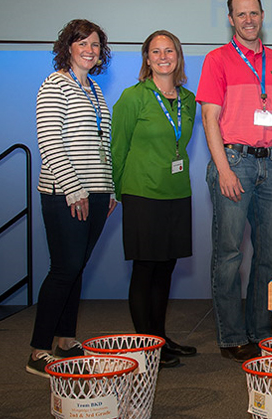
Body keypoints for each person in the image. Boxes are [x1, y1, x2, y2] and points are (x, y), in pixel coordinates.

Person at [197, 0, 272, 362]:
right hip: (234, 162)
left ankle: (259, 330)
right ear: (231, 19)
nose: (249, 20)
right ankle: (232, 335)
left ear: (262, 15)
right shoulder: (217, 59)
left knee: (270, 256)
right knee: (229, 255)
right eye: (241, 14)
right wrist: (223, 168)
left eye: (254, 13)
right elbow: (209, 116)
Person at [27, 19, 118, 377]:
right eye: (82, 43)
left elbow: (102, 148)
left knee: (77, 267)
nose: (89, 50)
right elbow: (50, 143)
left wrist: (108, 190)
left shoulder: (95, 91)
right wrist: (74, 189)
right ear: (67, 47)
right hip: (65, 194)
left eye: (95, 45)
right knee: (63, 269)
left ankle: (65, 340)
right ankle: (37, 350)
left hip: (96, 194)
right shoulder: (54, 86)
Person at [111, 30, 197, 369]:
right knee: (145, 270)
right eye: (156, 51)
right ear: (147, 59)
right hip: (141, 194)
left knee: (166, 269)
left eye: (170, 50)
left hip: (177, 193)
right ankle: (145, 345)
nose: (163, 56)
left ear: (178, 56)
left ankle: (160, 340)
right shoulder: (133, 98)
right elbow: (117, 149)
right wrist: (117, 193)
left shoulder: (188, 100)